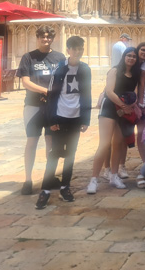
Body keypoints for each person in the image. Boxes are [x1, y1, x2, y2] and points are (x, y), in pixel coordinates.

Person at [35, 36, 92, 209]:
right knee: (55, 153)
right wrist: (51, 120)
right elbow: (51, 95)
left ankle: (65, 187)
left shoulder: (85, 69)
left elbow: (87, 94)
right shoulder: (60, 68)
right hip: (60, 116)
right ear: (68, 50)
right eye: (74, 48)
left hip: (76, 117)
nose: (78, 51)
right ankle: (45, 190)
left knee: (71, 154)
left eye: (80, 48)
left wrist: (85, 119)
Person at [17, 25, 65, 195]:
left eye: (49, 37)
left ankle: (49, 177)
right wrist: (46, 91)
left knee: (51, 142)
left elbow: (64, 79)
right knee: (32, 142)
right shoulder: (28, 57)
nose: (46, 39)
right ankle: (28, 180)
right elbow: (26, 82)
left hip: (53, 107)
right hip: (34, 106)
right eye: (43, 37)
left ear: (53, 38)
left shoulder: (59, 57)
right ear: (37, 38)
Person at [87, 47, 141, 194]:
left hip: (124, 111)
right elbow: (109, 91)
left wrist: (131, 105)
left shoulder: (135, 74)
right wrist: (123, 105)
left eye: (134, 56)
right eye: (129, 55)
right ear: (124, 57)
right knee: (104, 144)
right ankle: (94, 179)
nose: (131, 58)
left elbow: (134, 92)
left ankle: (114, 175)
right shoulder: (115, 71)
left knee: (118, 143)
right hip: (110, 108)